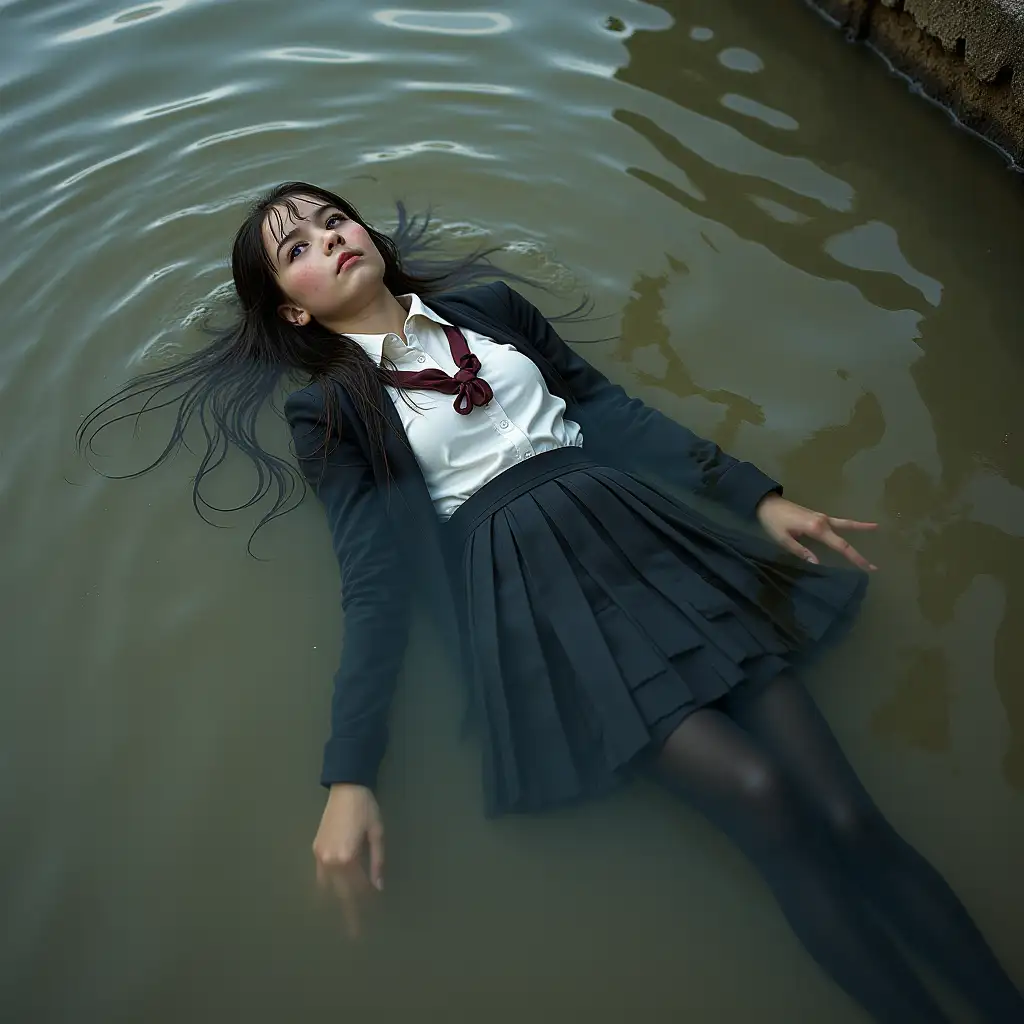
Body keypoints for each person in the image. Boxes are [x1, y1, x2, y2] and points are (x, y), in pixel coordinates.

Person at [80, 181, 1024, 1024]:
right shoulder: (327, 411)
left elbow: (608, 411)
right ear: (292, 308)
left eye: (334, 220)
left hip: (656, 548)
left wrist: (756, 497)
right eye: (300, 248)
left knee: (851, 818)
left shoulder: (489, 307)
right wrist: (350, 774)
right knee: (763, 796)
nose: (330, 240)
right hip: (543, 608)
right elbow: (374, 585)